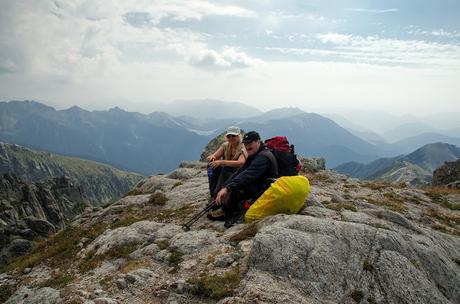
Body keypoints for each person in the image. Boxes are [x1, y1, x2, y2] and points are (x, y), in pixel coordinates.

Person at [208, 131, 278, 225]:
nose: (247, 146)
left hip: (263, 190)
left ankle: (227, 212)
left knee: (238, 185)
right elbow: (241, 171)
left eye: (250, 143)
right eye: (245, 144)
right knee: (234, 182)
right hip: (258, 184)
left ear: (258, 141)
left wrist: (228, 188)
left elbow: (247, 175)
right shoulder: (255, 154)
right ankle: (223, 204)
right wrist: (225, 186)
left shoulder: (263, 157)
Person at [206, 126, 247, 199]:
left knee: (225, 169)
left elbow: (241, 163)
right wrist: (212, 157)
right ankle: (213, 194)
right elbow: (215, 156)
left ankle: (217, 196)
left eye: (233, 136)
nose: (231, 138)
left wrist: (222, 162)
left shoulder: (243, 147)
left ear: (239, 136)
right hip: (228, 169)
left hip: (239, 171)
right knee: (211, 166)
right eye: (229, 136)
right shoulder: (226, 145)